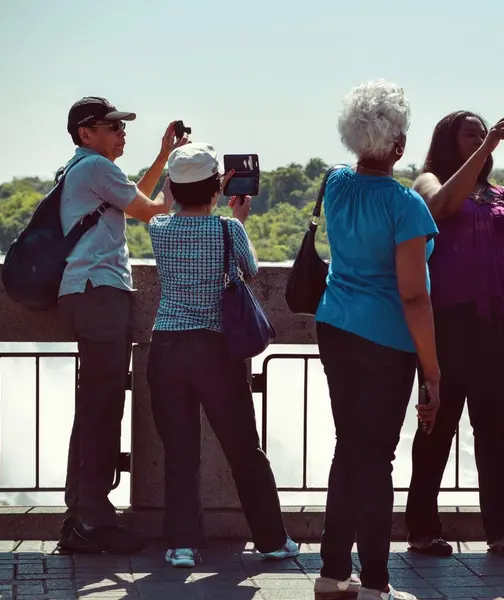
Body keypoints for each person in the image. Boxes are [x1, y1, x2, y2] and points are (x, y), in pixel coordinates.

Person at [405, 111, 504, 559]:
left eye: (483, 131)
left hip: (498, 323)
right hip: (447, 324)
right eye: (470, 133)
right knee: (438, 426)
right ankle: (422, 529)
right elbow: (440, 209)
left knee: (493, 428)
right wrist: (486, 148)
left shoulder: (501, 195)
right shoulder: (428, 181)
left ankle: (502, 531)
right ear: (448, 141)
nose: (481, 136)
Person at [313, 80, 440, 600]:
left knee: (351, 449)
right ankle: (376, 581)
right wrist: (432, 370)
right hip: (386, 339)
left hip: (335, 326)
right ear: (399, 145)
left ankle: (332, 571)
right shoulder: (406, 205)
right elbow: (414, 296)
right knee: (375, 459)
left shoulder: (335, 183)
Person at [146, 143, 299, 568]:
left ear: (175, 188)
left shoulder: (158, 228)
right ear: (216, 186)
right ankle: (271, 539)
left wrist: (185, 182)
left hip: (167, 347)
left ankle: (181, 545)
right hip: (215, 349)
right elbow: (249, 270)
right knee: (244, 449)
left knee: (179, 450)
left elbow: (164, 203)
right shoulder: (228, 230)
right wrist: (236, 215)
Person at [57, 96, 188, 554]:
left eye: (121, 126)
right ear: (84, 133)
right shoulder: (95, 167)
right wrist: (184, 183)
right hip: (99, 294)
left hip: (86, 293)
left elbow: (137, 200)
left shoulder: (86, 169)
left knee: (96, 404)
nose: (120, 132)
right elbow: (152, 210)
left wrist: (161, 160)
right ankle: (93, 520)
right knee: (101, 406)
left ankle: (83, 514)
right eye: (110, 126)